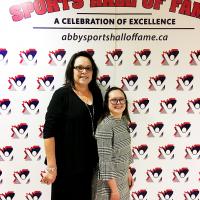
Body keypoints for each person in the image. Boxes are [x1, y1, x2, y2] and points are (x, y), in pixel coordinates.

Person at [41, 51, 103, 200]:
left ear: (93, 72)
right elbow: (49, 132)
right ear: (71, 70)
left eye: (88, 68)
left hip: (89, 167)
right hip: (65, 167)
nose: (84, 71)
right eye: (79, 67)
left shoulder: (97, 93)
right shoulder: (61, 95)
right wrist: (52, 167)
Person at [95, 87, 133, 200]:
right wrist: (115, 191)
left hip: (123, 179)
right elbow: (104, 163)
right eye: (114, 100)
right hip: (109, 187)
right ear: (107, 103)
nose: (118, 103)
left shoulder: (123, 121)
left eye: (121, 99)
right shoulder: (105, 126)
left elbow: (125, 151)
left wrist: (128, 172)